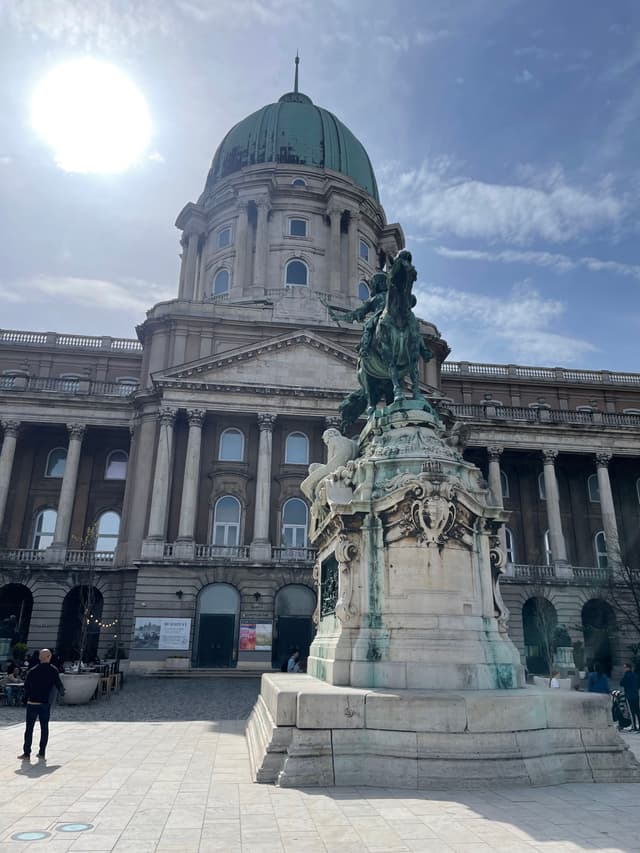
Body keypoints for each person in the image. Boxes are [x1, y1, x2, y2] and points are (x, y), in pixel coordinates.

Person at [17, 648, 65, 761]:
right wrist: (62, 692)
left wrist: (24, 699)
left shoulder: (33, 670)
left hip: (32, 702)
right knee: (44, 728)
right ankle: (42, 752)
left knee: (29, 728)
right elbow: (59, 684)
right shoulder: (54, 670)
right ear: (49, 657)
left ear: (39, 657)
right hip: (45, 703)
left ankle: (27, 753)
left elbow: (26, 687)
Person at [620, 663, 640, 732]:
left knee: (631, 712)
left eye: (625, 667)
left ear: (628, 668)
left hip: (629, 695)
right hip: (636, 695)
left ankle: (634, 727)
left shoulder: (626, 675)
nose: (624, 669)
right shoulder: (636, 675)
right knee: (637, 711)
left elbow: (621, 683)